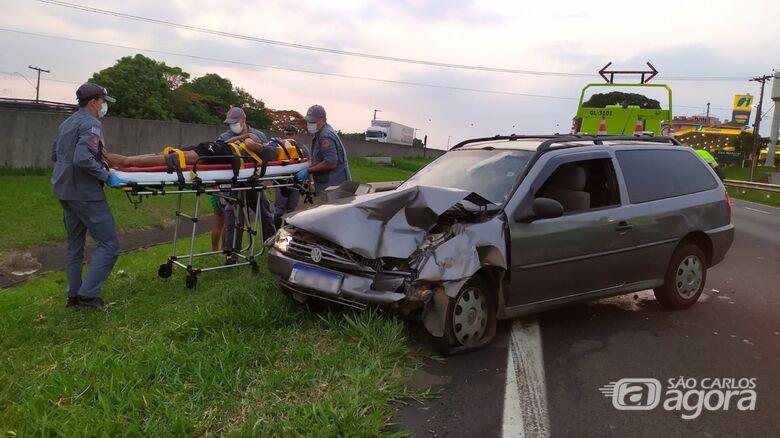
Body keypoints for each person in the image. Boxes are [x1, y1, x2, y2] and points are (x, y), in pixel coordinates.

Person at [51, 83, 126, 309]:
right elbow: (82, 158)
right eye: (103, 101)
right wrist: (105, 176)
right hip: (84, 192)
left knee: (75, 245)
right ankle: (88, 295)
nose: (104, 106)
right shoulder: (91, 124)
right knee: (109, 244)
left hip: (64, 190)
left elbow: (55, 154)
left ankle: (73, 295)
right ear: (93, 101)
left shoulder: (66, 123)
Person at [217, 108, 276, 264]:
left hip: (254, 183)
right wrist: (223, 190)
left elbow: (267, 155)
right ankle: (231, 255)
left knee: (266, 214)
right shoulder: (225, 137)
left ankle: (273, 248)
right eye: (229, 123)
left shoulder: (259, 135)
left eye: (234, 122)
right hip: (235, 185)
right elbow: (218, 159)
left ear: (243, 119)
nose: (232, 126)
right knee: (234, 219)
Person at [296, 104, 351, 203]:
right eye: (309, 121)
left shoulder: (325, 136)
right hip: (329, 185)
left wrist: (309, 170)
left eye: (313, 121)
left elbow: (331, 163)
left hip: (333, 187)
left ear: (323, 119)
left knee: (331, 215)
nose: (310, 124)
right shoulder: (321, 133)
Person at [273, 126, 309, 227]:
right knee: (279, 209)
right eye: (286, 134)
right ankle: (275, 234)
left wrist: (310, 182)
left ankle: (286, 234)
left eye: (291, 134)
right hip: (281, 181)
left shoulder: (302, 148)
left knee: (291, 210)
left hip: (297, 182)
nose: (288, 136)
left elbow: (309, 164)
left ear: (296, 135)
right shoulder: (278, 147)